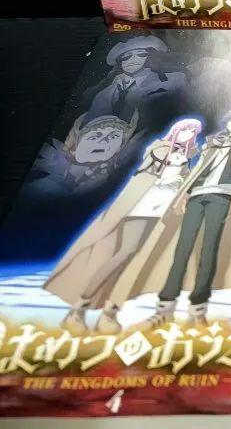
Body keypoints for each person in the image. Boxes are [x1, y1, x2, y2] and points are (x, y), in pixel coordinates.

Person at [127, 110, 231, 327]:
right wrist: (185, 194)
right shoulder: (213, 143)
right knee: (182, 251)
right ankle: (164, 308)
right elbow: (198, 170)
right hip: (196, 196)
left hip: (222, 197)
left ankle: (197, 308)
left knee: (208, 251)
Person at [45, 118, 203, 334]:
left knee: (138, 263)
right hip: (141, 208)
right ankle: (78, 309)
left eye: (193, 131)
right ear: (177, 130)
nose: (189, 134)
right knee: (124, 254)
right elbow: (149, 172)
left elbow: (185, 185)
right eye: (186, 129)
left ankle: (109, 312)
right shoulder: (160, 148)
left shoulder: (186, 157)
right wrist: (172, 168)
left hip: (163, 214)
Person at [32, 112, 140, 193]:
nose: (104, 141)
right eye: (94, 137)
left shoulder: (114, 173)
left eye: (113, 137)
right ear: (75, 143)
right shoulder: (45, 185)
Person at [86, 35, 186, 121]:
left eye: (141, 54)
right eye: (126, 57)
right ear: (120, 62)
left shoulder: (175, 79)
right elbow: (92, 121)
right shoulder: (105, 92)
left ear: (151, 57)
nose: (133, 59)